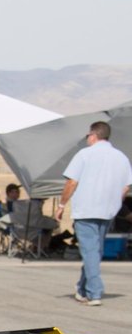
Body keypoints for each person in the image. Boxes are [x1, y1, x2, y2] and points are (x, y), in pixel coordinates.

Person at [56, 120, 132, 305]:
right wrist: (116, 200)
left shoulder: (84, 154)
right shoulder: (120, 157)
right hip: (107, 211)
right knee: (94, 251)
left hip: (86, 210)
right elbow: (126, 185)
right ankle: (82, 289)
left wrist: (61, 204)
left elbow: (71, 182)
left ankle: (94, 292)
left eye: (88, 136)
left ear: (94, 135)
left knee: (90, 251)